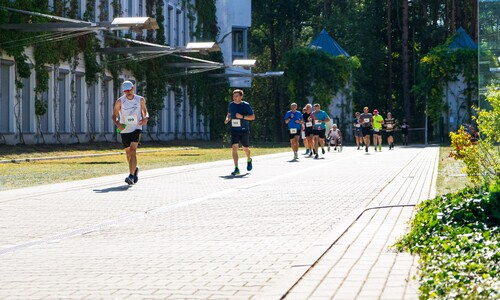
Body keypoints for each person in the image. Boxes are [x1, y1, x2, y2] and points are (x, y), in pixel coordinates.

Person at [112, 80, 149, 185]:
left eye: (129, 90)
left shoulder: (140, 99)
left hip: (137, 127)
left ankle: (131, 176)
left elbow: (145, 111)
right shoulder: (120, 101)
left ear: (133, 88)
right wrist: (117, 123)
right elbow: (114, 115)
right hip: (124, 129)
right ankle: (134, 169)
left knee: (133, 150)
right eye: (125, 91)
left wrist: (146, 118)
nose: (127, 93)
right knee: (128, 153)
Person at [224, 89, 255, 175]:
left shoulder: (246, 105)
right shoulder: (231, 104)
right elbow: (229, 113)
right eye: (234, 96)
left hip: (244, 129)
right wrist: (227, 119)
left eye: (237, 96)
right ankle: (236, 168)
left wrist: (242, 116)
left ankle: (249, 159)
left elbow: (252, 117)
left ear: (241, 97)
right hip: (234, 129)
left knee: (245, 148)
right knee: (234, 147)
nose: (235, 98)